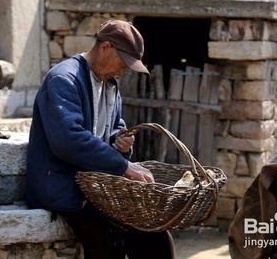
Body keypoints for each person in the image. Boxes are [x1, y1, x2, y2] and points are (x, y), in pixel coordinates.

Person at [25, 20, 175, 259]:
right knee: (109, 242)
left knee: (155, 233)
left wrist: (120, 141)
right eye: (123, 64)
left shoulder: (110, 84)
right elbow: (69, 140)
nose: (123, 71)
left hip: (96, 187)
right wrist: (123, 166)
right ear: (105, 47)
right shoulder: (64, 79)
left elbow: (114, 127)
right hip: (63, 188)